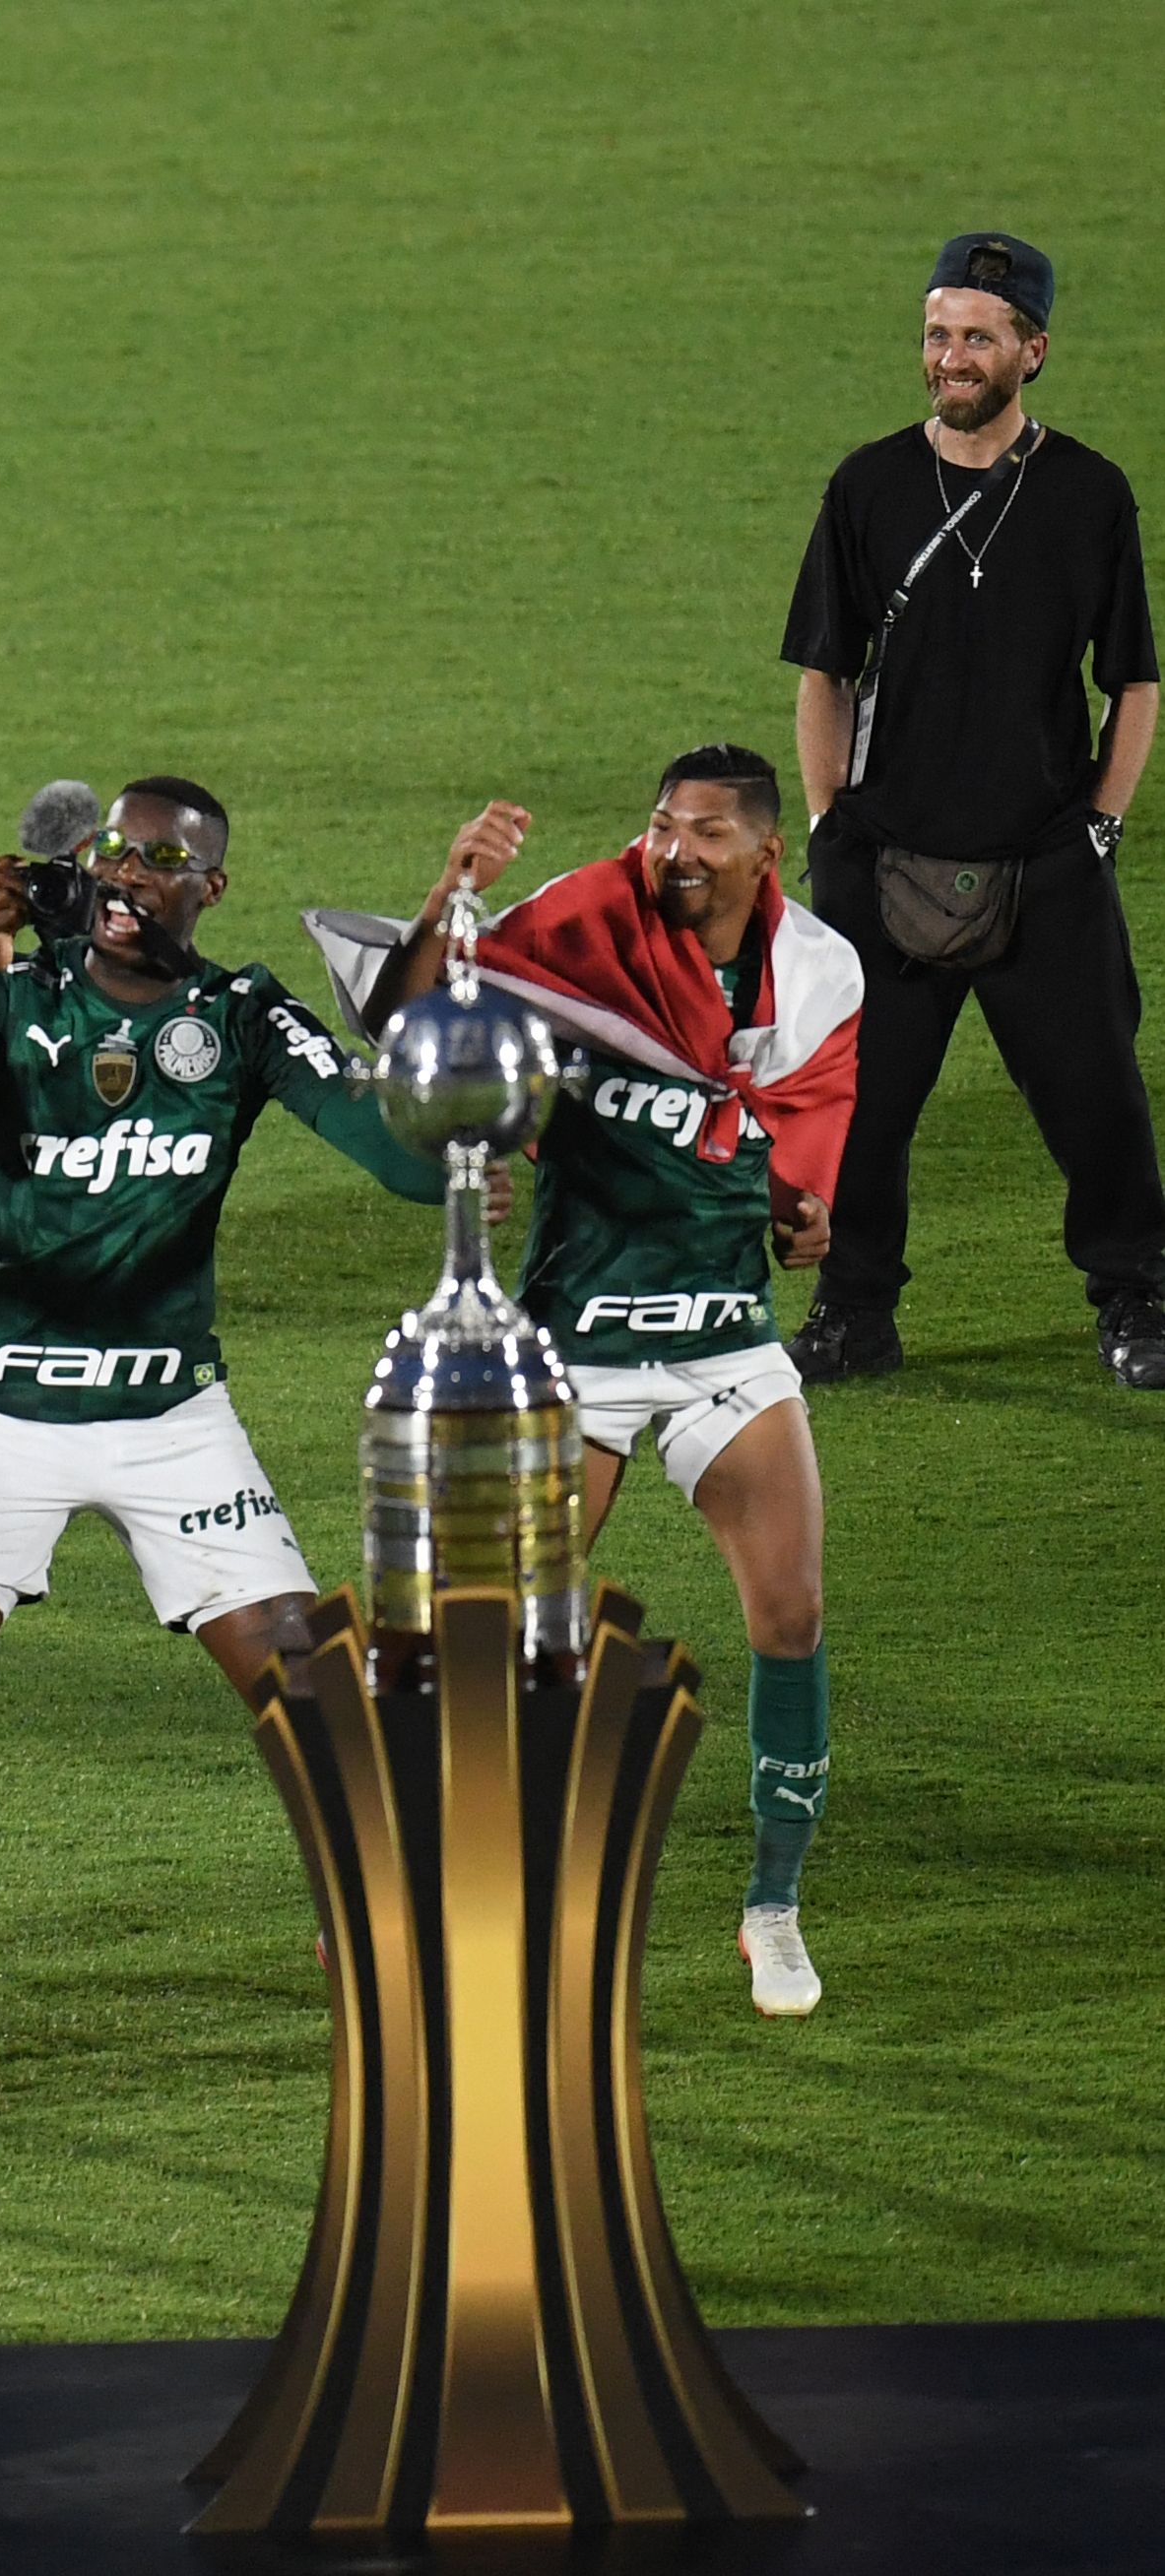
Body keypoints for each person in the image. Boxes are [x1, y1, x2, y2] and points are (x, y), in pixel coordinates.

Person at [0, 779, 444, 2105]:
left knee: (312, 1700)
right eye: (117, 853)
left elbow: (412, 1170)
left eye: (166, 860)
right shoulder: (22, 999)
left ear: (211, 887)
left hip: (169, 1418)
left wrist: (428, 1053)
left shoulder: (243, 1017)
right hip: (12, 1411)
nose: (133, 875)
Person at [379, 754, 862, 2016]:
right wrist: (453, 894)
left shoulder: (818, 971)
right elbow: (417, 1028)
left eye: (707, 831)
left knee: (792, 1615)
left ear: (767, 852)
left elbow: (782, 1142)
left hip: (721, 1339)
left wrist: (801, 1219)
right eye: (663, 826)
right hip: (578, 1340)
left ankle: (774, 1907)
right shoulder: (577, 918)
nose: (675, 849)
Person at [780, 229, 1162, 1390]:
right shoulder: (869, 484)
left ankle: (1139, 1296)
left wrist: (1098, 826)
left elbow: (1133, 682)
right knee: (864, 1109)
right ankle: (855, 1313)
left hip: (1043, 863)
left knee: (1095, 1097)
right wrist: (826, 826)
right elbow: (822, 674)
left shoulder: (1090, 495)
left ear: (1031, 351)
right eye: (939, 334)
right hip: (883, 857)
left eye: (979, 336)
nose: (952, 354)